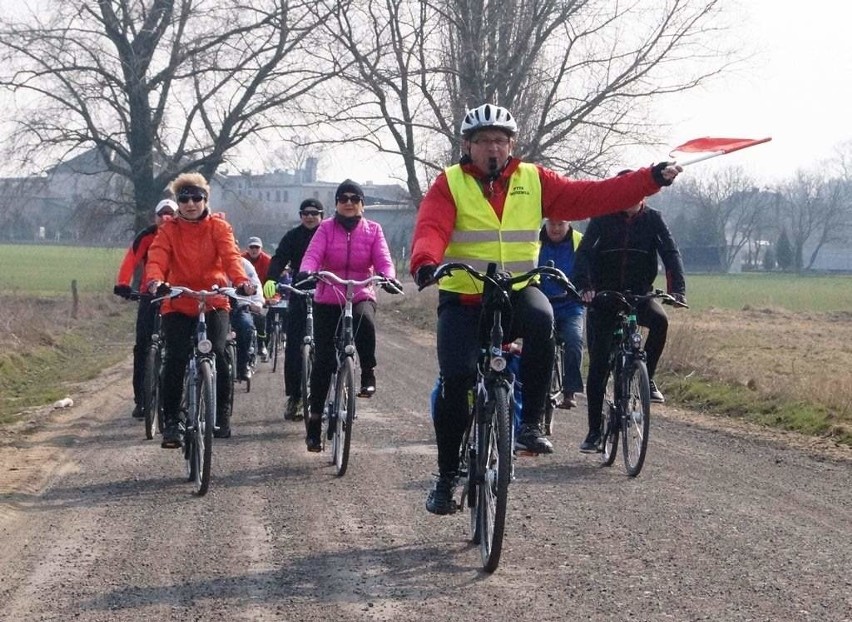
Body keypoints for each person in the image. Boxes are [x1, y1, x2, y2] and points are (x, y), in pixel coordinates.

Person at [409, 103, 681, 515]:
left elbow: (594, 195)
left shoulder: (533, 179)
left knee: (543, 321)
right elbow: (432, 227)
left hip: (517, 289)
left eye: (500, 141)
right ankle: (447, 477)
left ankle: (531, 424)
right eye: (483, 142)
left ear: (511, 144)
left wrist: (649, 179)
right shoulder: (450, 184)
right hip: (465, 297)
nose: (493, 149)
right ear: (467, 146)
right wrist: (426, 262)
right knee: (456, 380)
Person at [571, 171, 686, 452]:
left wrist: (677, 290)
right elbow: (584, 253)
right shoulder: (602, 217)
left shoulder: (653, 219)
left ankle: (648, 376)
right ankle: (594, 432)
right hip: (605, 296)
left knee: (660, 322)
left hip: (639, 294)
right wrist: (586, 287)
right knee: (598, 364)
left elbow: (670, 252)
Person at [145, 173, 256, 447]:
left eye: (197, 198)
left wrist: (241, 282)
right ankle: (173, 422)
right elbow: (157, 257)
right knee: (175, 358)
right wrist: (156, 282)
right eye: (184, 199)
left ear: (206, 199)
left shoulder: (219, 227)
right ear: (178, 202)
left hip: (214, 300)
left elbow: (231, 257)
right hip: (179, 301)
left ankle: (222, 415)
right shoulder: (168, 229)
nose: (190, 204)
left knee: (218, 353)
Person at [298, 180, 398, 452]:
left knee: (366, 324)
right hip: (328, 297)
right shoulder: (325, 229)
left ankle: (367, 373)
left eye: (355, 198)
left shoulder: (373, 230)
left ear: (362, 204)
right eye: (344, 198)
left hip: (360, 294)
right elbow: (312, 256)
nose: (349, 202)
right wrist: (307, 272)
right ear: (337, 203)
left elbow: (384, 260)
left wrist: (388, 277)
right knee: (324, 362)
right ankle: (315, 423)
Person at [113, 198, 177, 419]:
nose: (166, 218)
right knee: (142, 346)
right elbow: (130, 260)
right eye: (162, 214)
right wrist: (123, 283)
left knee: (181, 345)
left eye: (171, 214)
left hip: (176, 294)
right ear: (155, 217)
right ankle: (141, 399)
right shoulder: (146, 236)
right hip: (149, 295)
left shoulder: (182, 233)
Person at [262, 198, 324, 420]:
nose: (309, 217)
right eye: (305, 213)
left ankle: (333, 393)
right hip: (299, 291)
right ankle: (295, 397)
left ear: (321, 215)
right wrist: (270, 278)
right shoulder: (292, 236)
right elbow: (279, 258)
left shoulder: (328, 232)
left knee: (329, 344)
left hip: (325, 291)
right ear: (300, 215)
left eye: (314, 213)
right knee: (294, 348)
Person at [537, 218, 585, 411]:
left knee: (574, 341)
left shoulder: (579, 241)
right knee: (538, 347)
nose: (556, 229)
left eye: (560, 224)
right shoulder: (535, 241)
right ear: (546, 224)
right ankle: (535, 390)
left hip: (570, 306)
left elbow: (588, 270)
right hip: (542, 304)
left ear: (568, 224)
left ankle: (570, 391)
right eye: (552, 224)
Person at [230, 249, 265, 382]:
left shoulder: (245, 264)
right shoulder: (211, 261)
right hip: (217, 306)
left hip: (241, 306)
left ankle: (244, 364)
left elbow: (255, 284)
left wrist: (257, 302)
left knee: (246, 326)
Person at [243, 236, 271, 360]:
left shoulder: (267, 261)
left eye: (257, 247)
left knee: (261, 318)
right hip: (243, 293)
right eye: (251, 247)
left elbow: (270, 280)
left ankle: (262, 344)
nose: (254, 250)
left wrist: (268, 297)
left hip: (262, 292)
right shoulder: (241, 259)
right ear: (247, 248)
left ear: (261, 248)